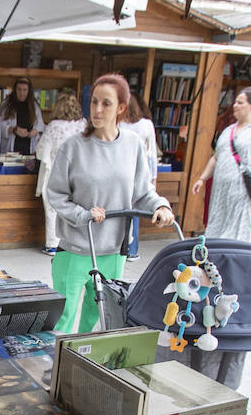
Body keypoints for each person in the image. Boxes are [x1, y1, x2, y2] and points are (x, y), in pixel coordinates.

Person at [44, 73, 174, 334]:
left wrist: (161, 206)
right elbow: (55, 193)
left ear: (121, 108)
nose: (97, 110)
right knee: (63, 318)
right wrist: (83, 215)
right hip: (76, 248)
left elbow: (142, 191)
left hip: (114, 250)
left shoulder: (133, 145)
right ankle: (53, 364)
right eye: (94, 102)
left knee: (99, 318)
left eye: (106, 104)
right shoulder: (74, 147)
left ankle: (84, 361)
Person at [189, 87, 251, 245]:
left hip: (243, 190)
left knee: (240, 229)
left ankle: (236, 260)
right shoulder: (229, 131)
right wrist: (202, 178)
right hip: (221, 192)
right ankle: (214, 256)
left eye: (240, 102)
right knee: (217, 226)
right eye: (235, 102)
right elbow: (216, 158)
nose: (235, 105)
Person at [34, 90, 86, 255]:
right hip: (79, 174)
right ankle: (73, 243)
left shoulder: (54, 126)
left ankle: (52, 244)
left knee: (52, 209)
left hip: (56, 173)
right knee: (75, 208)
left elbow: (42, 151)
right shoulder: (83, 125)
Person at [119, 93, 160, 261]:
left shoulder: (119, 124)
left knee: (121, 212)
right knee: (135, 211)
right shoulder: (146, 125)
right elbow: (152, 154)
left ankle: (123, 247)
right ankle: (132, 249)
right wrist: (153, 177)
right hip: (139, 172)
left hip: (123, 171)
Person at [0, 76, 44, 156]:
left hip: (29, 150)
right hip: (10, 150)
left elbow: (41, 124)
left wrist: (35, 131)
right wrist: (13, 130)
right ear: (15, 90)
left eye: (24, 90)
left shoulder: (34, 105)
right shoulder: (6, 104)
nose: (22, 93)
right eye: (19, 89)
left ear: (29, 91)